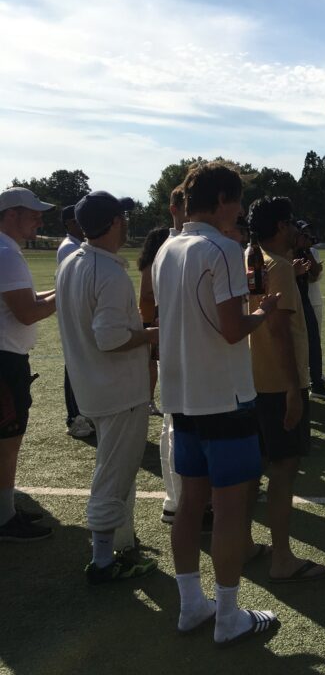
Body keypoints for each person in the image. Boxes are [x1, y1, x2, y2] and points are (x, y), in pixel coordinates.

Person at [153, 162, 280, 643]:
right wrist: (262, 312)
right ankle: (228, 615)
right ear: (223, 200)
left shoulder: (167, 248)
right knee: (229, 509)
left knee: (190, 504)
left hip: (182, 397)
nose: (241, 209)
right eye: (238, 199)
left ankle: (192, 605)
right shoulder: (222, 248)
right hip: (225, 398)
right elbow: (231, 330)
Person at [56, 191, 158, 582]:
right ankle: (102, 560)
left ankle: (120, 544)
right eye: (123, 217)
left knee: (119, 471)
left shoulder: (72, 263)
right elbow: (111, 338)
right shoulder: (108, 272)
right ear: (115, 222)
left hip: (96, 387)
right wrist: (152, 334)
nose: (127, 223)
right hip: (118, 390)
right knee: (113, 475)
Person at [246, 198, 325, 583]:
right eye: (292, 223)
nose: (298, 229)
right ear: (281, 226)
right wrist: (293, 390)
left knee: (255, 468)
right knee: (284, 470)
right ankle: (281, 558)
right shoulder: (278, 267)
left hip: (252, 381)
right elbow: (279, 331)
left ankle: (245, 544)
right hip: (278, 384)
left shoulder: (252, 259)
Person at [0, 187, 57, 542]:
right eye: (32, 213)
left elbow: (27, 300)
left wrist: (59, 288)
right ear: (11, 214)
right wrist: (66, 294)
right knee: (7, 443)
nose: (39, 220)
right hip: (5, 361)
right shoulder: (6, 253)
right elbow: (27, 313)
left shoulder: (6, 249)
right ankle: (4, 519)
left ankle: (4, 510)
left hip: (7, 357)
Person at [159, 185, 186, 525]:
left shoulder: (176, 247)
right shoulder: (170, 248)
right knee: (176, 428)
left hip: (179, 348)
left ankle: (178, 499)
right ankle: (179, 500)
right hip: (178, 351)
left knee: (174, 427)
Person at [56, 204, 91, 437]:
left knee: (81, 364)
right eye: (78, 220)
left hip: (79, 312)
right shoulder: (70, 247)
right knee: (74, 365)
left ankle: (83, 414)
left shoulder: (77, 245)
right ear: (70, 223)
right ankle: (74, 418)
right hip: (75, 313)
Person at [293, 221, 325, 399]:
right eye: (304, 235)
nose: (308, 238)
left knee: (314, 343)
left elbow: (315, 273)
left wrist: (308, 251)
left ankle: (316, 383)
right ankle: (303, 385)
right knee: (298, 347)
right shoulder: (288, 253)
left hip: (305, 301)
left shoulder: (305, 252)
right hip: (294, 303)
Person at [138, 227, 171, 416]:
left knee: (154, 362)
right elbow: (146, 293)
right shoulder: (150, 264)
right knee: (150, 363)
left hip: (157, 316)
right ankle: (148, 401)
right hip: (149, 317)